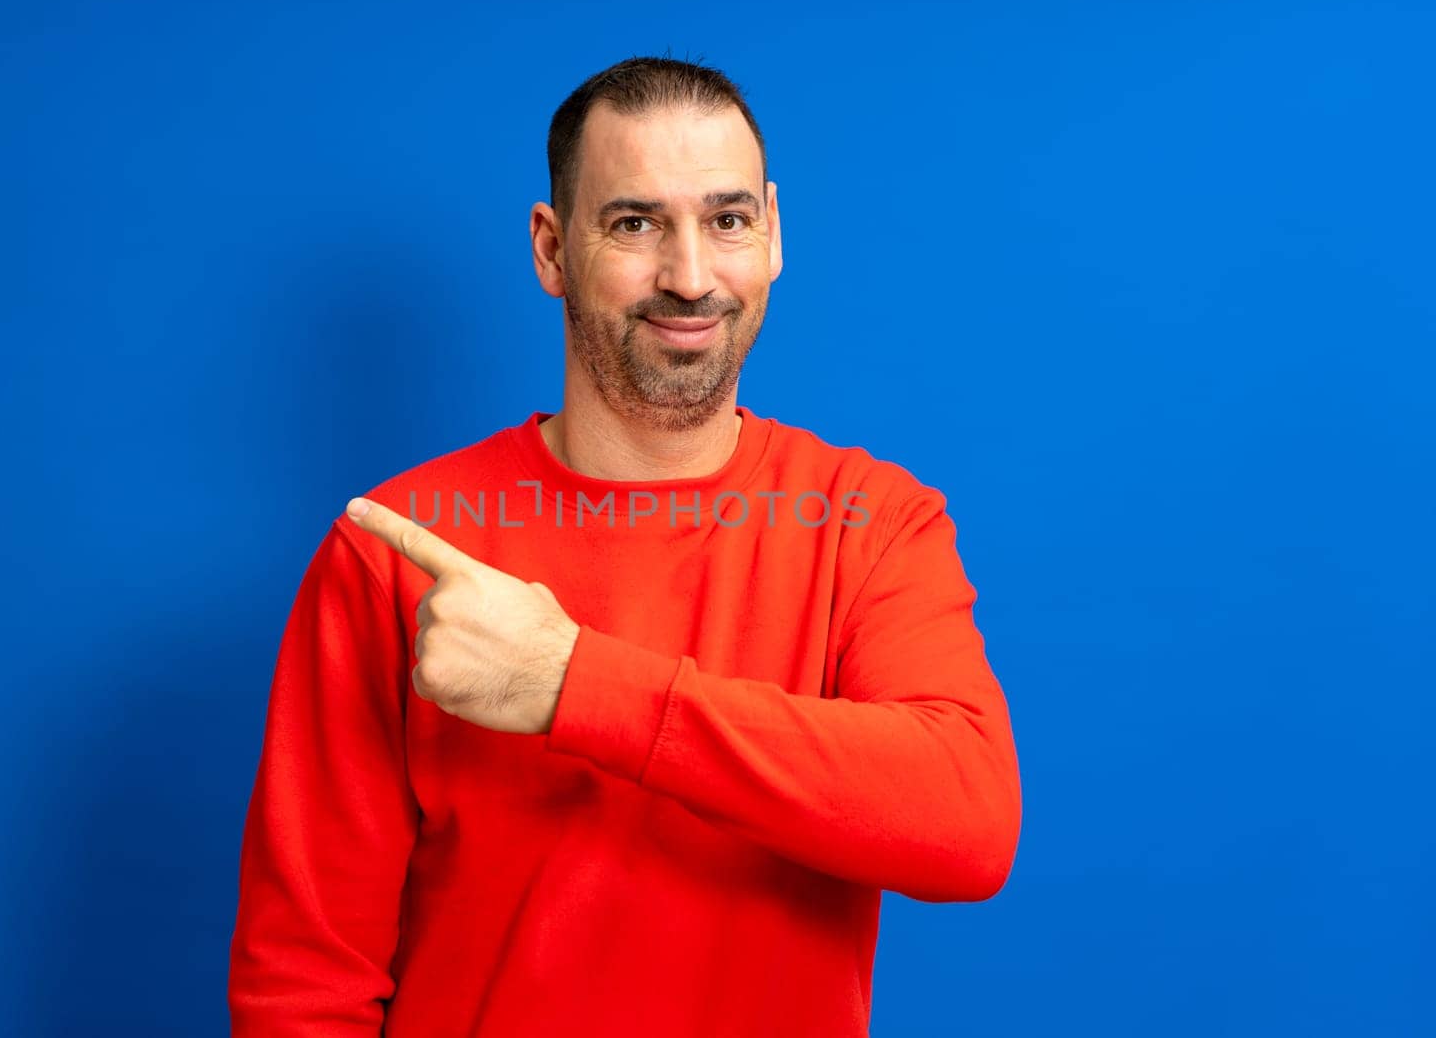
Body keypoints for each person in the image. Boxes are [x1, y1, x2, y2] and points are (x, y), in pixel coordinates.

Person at [228, 56, 1022, 1037]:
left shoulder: (868, 520)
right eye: (635, 223)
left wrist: (576, 685)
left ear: (771, 233)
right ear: (552, 248)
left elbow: (967, 821)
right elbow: (303, 980)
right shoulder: (398, 547)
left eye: (725, 220)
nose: (689, 277)